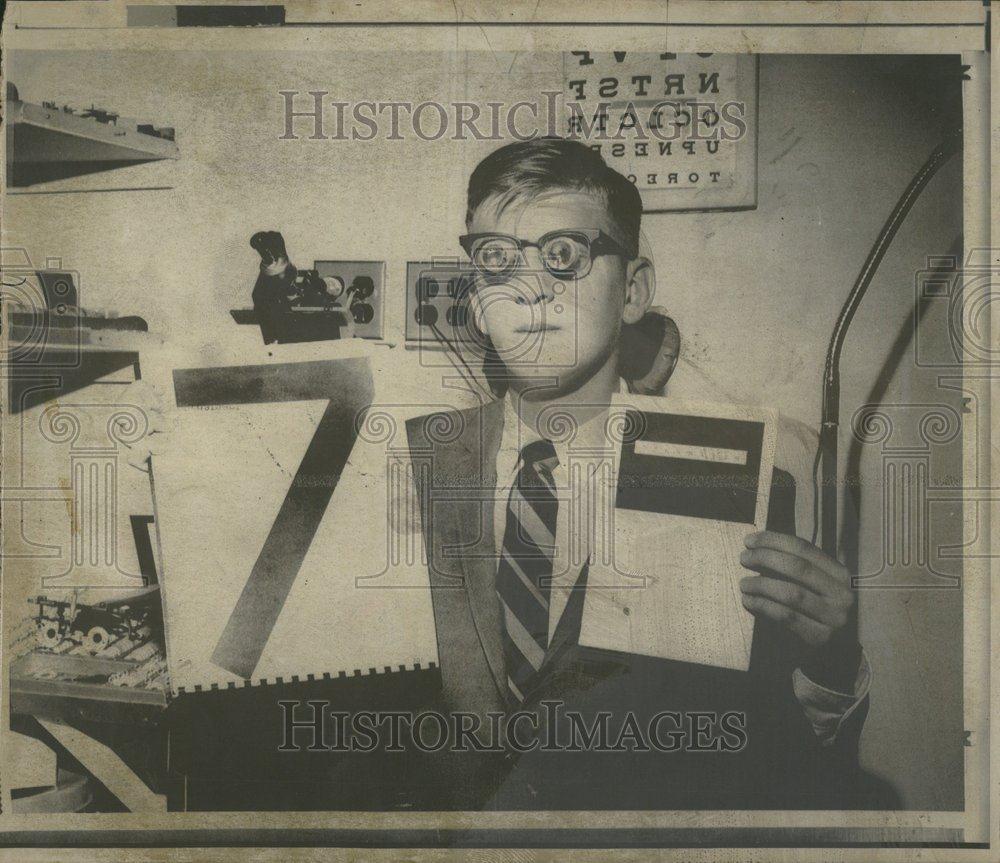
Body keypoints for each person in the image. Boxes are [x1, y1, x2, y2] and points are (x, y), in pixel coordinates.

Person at [404, 136, 879, 810]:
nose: (528, 288)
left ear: (632, 291)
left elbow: (780, 749)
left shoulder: (732, 479)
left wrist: (828, 656)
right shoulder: (410, 462)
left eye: (562, 254)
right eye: (497, 259)